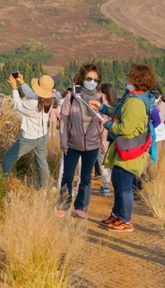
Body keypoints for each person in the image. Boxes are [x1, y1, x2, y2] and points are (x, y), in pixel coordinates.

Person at [96, 64, 157, 233]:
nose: (126, 80)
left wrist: (106, 123)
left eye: (129, 77)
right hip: (126, 149)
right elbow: (120, 112)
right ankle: (117, 215)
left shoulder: (135, 101)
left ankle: (125, 220)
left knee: (124, 187)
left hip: (129, 150)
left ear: (137, 80)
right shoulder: (135, 97)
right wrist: (101, 108)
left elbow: (125, 129)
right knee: (118, 182)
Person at [57, 64, 107, 218]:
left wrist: (103, 144)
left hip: (92, 145)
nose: (92, 81)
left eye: (95, 79)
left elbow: (105, 122)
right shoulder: (71, 97)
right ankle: (63, 205)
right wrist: (63, 142)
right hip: (72, 143)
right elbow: (64, 120)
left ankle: (80, 207)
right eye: (89, 78)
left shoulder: (101, 98)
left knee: (85, 178)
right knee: (68, 176)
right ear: (82, 78)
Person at [1, 72, 55, 188]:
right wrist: (22, 82)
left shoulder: (33, 104)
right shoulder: (49, 101)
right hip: (42, 135)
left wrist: (14, 88)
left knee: (8, 157)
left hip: (29, 138)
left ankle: (1, 181)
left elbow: (17, 105)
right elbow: (31, 94)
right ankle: (45, 187)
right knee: (41, 161)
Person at [95, 82, 118, 197]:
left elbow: (102, 126)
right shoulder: (116, 106)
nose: (97, 94)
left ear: (104, 94)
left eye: (99, 92)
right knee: (111, 164)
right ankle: (112, 185)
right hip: (114, 139)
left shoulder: (103, 108)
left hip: (104, 138)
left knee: (103, 163)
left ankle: (105, 187)